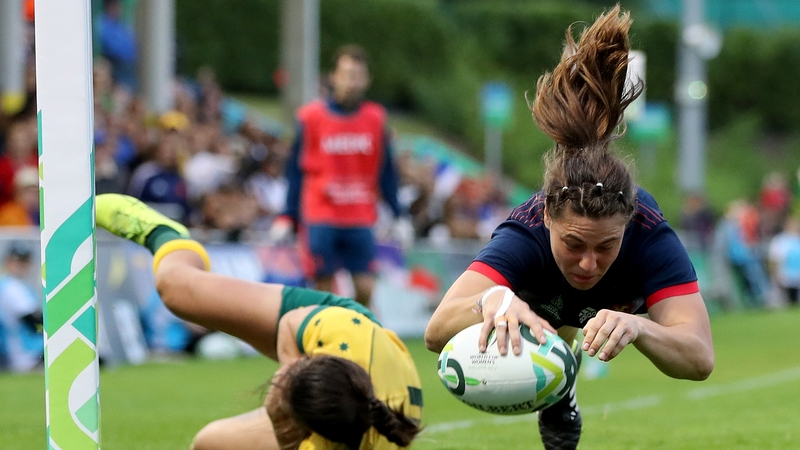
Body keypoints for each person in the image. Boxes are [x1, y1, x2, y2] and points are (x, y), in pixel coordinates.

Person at [423, 6, 714, 450]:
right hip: (542, 303)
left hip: (614, 305)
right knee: (545, 313)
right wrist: (493, 300)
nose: (588, 262)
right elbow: (436, 331)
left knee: (580, 309)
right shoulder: (525, 233)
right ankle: (559, 384)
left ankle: (562, 375)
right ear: (546, 220)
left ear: (628, 226)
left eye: (607, 245)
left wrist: (641, 328)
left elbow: (699, 358)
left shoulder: (649, 232)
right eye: (574, 242)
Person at [94, 193, 422, 450]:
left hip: (353, 395)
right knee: (177, 289)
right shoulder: (337, 329)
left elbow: (209, 440)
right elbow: (293, 323)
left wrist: (279, 417)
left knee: (210, 444)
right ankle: (166, 234)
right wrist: (288, 369)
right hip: (347, 328)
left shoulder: (321, 445)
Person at [270, 45, 409, 307]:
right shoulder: (311, 118)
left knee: (366, 288)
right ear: (333, 77)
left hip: (360, 215)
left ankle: (356, 337)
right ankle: (327, 345)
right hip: (321, 215)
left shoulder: (376, 119)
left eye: (357, 75)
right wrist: (287, 215)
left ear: (366, 80)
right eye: (346, 74)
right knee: (324, 290)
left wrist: (399, 214)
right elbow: (295, 171)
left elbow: (386, 171)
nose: (351, 82)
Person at [0, 241, 43, 372]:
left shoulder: (20, 285)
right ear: (7, 261)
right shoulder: (11, 287)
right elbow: (34, 321)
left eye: (24, 260)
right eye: (17, 260)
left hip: (29, 350)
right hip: (25, 353)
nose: (21, 265)